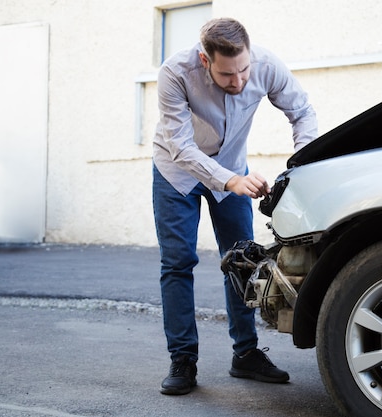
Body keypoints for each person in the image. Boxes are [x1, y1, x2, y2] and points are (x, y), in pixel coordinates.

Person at [152, 17, 317, 395]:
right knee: (177, 263)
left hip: (231, 169)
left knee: (241, 260)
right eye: (227, 75)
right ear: (205, 59)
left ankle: (246, 354)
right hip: (176, 173)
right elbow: (180, 146)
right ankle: (183, 359)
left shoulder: (265, 65)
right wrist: (229, 180)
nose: (239, 81)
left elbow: (302, 111)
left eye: (243, 69)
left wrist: (304, 162)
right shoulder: (175, 74)